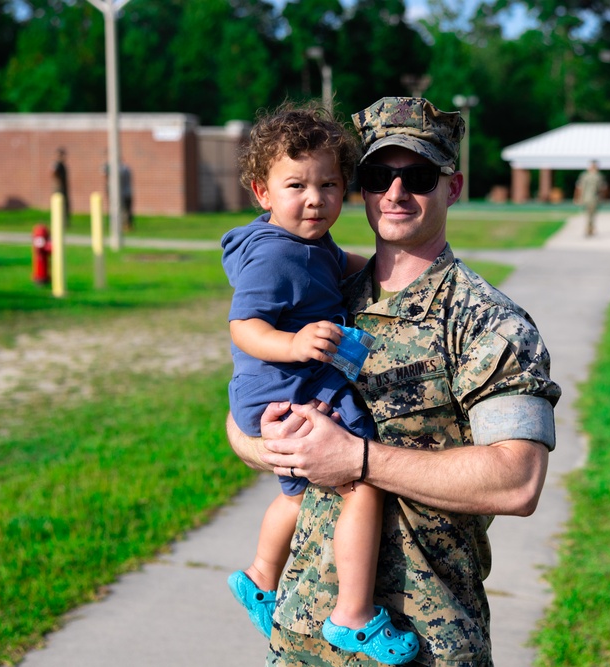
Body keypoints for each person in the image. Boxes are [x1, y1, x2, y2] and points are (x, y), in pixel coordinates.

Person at [226, 96, 562, 666]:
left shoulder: (489, 323)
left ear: (452, 188)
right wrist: (267, 448)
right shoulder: (324, 293)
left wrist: (356, 461)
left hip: (423, 643)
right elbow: (242, 415)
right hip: (302, 639)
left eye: (420, 176)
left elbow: (518, 482)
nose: (396, 193)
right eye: (379, 175)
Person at [221, 102, 419, 665]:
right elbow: (244, 325)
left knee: (299, 489)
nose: (315, 198)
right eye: (297, 185)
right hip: (286, 381)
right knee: (361, 476)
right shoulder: (272, 258)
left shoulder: (308, 244)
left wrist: (388, 274)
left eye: (329, 184)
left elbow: (344, 265)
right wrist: (294, 344)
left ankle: (261, 577)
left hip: (286, 381)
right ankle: (351, 617)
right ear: (262, 191)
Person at [575, 159, 606, 237]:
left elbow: (579, 187)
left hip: (588, 198)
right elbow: (602, 188)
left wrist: (578, 197)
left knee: (589, 214)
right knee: (591, 214)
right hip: (593, 198)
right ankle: (590, 228)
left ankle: (589, 228)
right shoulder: (598, 176)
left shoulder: (585, 175)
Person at [51, 148, 70, 229]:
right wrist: (58, 183)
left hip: (63, 188)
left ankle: (64, 223)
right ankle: (59, 223)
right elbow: (53, 173)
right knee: (59, 206)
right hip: (59, 189)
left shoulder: (63, 165)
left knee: (65, 206)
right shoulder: (56, 164)